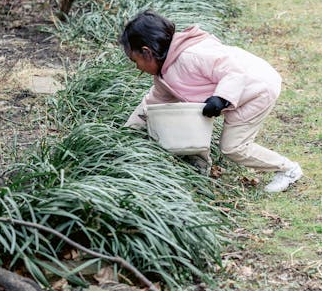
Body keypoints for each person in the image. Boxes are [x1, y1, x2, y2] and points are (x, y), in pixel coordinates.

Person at [120, 10, 303, 193]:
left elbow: (233, 70)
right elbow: (152, 105)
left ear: (147, 52)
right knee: (188, 121)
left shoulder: (191, 55)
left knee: (234, 147)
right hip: (240, 92)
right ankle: (199, 167)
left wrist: (221, 97)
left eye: (135, 61)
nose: (138, 68)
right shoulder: (164, 75)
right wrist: (126, 134)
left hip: (258, 88)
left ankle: (288, 169)